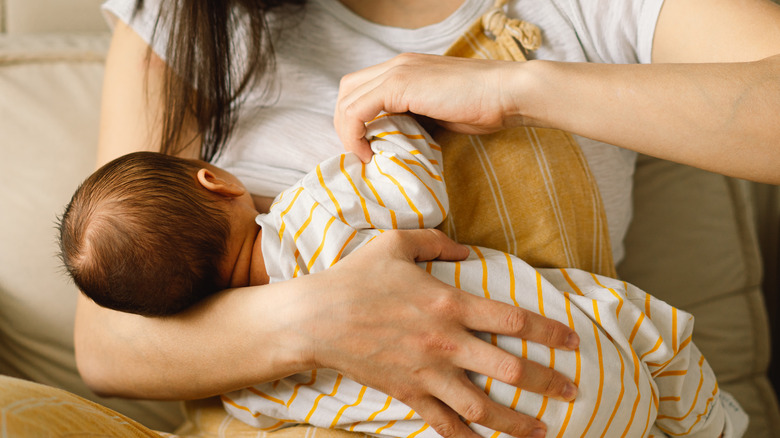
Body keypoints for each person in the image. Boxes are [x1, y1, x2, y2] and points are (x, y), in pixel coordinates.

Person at [80, 0, 780, 437]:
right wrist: (320, 322)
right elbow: (110, 342)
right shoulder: (187, 17)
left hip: (552, 390)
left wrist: (519, 85)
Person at [61, 113, 746, 437]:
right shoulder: (313, 210)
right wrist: (390, 124)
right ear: (215, 181)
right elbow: (416, 196)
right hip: (591, 346)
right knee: (644, 325)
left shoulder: (247, 390)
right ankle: (715, 426)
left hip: (511, 427)